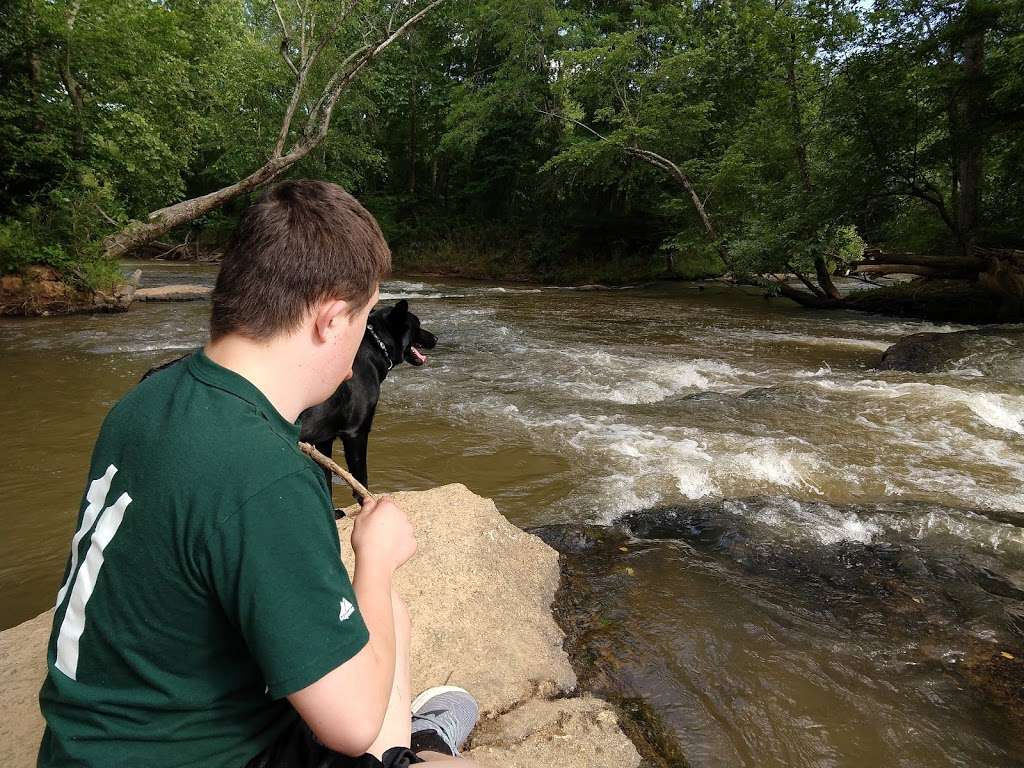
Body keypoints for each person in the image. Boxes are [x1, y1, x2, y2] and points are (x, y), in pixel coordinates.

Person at [37, 180, 479, 768]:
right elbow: (349, 725)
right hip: (211, 756)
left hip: (86, 745)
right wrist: (376, 557)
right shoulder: (263, 477)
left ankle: (399, 744)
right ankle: (417, 747)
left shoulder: (146, 400)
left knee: (382, 615)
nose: (358, 351)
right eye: (364, 318)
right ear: (331, 320)